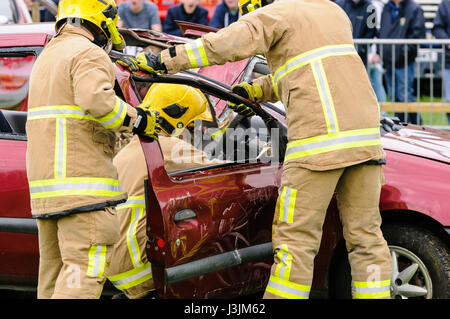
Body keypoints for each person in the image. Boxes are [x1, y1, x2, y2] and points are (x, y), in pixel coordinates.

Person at [124, 0, 393, 299]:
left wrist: (166, 60)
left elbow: (222, 45)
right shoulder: (330, 10)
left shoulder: (275, 13)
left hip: (318, 146)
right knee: (366, 238)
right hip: (365, 141)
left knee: (296, 243)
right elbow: (305, 70)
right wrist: (256, 90)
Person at [26, 0, 160, 299]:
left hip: (48, 193)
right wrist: (141, 120)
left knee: (55, 279)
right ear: (102, 18)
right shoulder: (87, 52)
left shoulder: (49, 55)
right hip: (84, 192)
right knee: (83, 276)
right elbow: (98, 103)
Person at [108, 83, 223, 299]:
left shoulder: (130, 149)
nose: (192, 132)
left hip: (117, 271)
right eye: (191, 125)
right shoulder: (168, 147)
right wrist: (263, 154)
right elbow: (222, 172)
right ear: (177, 120)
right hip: (142, 269)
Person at [379, 0, 425, 124]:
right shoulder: (387, 8)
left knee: (405, 95)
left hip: (404, 62)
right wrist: (382, 52)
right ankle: (399, 126)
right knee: (394, 97)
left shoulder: (414, 8)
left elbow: (418, 35)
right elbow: (383, 32)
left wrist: (403, 53)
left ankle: (417, 125)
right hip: (389, 62)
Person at [335, 0, 378, 66]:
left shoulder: (370, 8)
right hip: (341, 56)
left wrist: (361, 49)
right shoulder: (338, 5)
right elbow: (335, 29)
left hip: (360, 58)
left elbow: (371, 32)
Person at [432, 0, 450, 126]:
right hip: (449, 61)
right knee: (449, 101)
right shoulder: (445, 4)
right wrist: (448, 41)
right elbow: (437, 27)